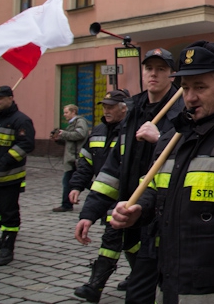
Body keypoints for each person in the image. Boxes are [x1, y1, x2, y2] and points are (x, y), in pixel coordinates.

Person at [112, 41, 214, 302]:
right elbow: (158, 187)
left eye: (200, 87)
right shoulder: (173, 136)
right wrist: (141, 208)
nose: (189, 97)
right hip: (170, 280)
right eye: (185, 87)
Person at [76, 48, 183, 304]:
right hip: (130, 208)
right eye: (149, 69)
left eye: (161, 69)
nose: (153, 74)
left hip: (162, 215)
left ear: (171, 75)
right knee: (138, 290)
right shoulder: (133, 110)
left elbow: (188, 159)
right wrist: (90, 212)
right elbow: (114, 169)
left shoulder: (182, 111)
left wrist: (159, 140)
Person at [68, 89, 130, 302]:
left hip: (125, 197)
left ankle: (95, 286)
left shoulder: (131, 130)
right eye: (104, 106)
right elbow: (85, 163)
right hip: (102, 193)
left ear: (125, 108)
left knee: (112, 238)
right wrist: (76, 186)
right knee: (129, 242)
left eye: (111, 106)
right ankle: (139, 274)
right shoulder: (97, 131)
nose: (106, 110)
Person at [0, 85, 35, 266]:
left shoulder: (21, 120)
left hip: (9, 178)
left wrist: (3, 162)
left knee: (8, 214)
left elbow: (25, 145)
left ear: (11, 98)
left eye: (0, 98)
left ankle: (7, 248)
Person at [52, 104, 90, 212]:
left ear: (73, 112)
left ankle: (66, 204)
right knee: (72, 181)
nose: (64, 115)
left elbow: (80, 134)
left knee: (73, 181)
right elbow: (70, 141)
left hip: (76, 158)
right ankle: (67, 204)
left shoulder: (80, 121)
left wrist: (63, 134)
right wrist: (58, 139)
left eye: (66, 112)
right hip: (71, 158)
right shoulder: (72, 123)